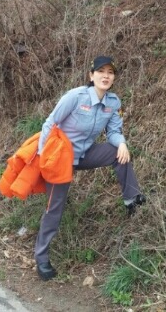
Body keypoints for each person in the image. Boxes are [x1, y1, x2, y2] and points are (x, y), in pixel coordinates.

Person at [34, 55, 146, 281]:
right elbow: (50, 123)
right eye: (101, 71)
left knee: (118, 153)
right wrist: (43, 156)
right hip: (60, 158)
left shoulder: (113, 102)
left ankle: (131, 200)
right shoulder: (75, 97)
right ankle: (41, 258)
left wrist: (122, 143)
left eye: (110, 72)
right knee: (55, 208)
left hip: (85, 154)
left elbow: (113, 131)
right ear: (91, 75)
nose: (106, 76)